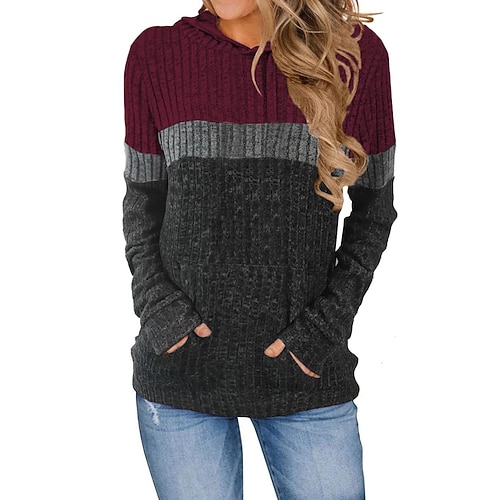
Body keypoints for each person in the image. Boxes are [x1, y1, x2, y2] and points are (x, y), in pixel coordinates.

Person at [122, 0, 396, 498]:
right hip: (181, 374)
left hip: (307, 375)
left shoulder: (352, 56)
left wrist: (323, 330)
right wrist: (161, 312)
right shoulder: (155, 54)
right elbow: (142, 205)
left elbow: (374, 213)